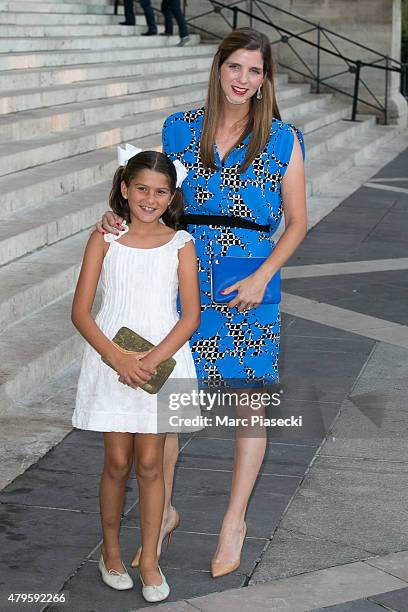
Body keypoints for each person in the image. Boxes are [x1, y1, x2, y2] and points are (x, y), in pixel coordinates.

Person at [97, 27, 307, 578]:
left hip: (248, 286)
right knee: (171, 405)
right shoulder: (180, 128)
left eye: (254, 71)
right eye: (235, 67)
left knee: (248, 405)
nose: (243, 79)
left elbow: (298, 220)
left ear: (265, 80)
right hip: (184, 277)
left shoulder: (283, 139)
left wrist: (263, 276)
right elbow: (156, 196)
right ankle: (162, 511)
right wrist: (116, 217)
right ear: (219, 69)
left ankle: (234, 521)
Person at [71, 149, 201, 601]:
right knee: (117, 463)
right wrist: (118, 359)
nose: (150, 198)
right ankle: (110, 552)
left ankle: (149, 559)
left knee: (151, 464)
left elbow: (190, 317)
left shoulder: (182, 244)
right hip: (111, 362)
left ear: (172, 196)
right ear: (124, 189)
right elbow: (81, 311)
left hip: (162, 365)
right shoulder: (103, 239)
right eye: (141, 188)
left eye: (160, 191)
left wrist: (149, 361)